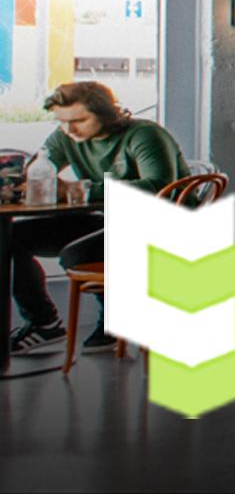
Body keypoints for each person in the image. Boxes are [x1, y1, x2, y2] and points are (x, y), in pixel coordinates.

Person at [8, 82, 181, 354]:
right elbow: (38, 170)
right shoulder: (66, 135)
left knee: (76, 255)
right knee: (10, 238)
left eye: (78, 120)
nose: (69, 129)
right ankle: (44, 323)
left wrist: (80, 189)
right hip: (109, 219)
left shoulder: (144, 135)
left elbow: (159, 187)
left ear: (105, 114)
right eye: (62, 121)